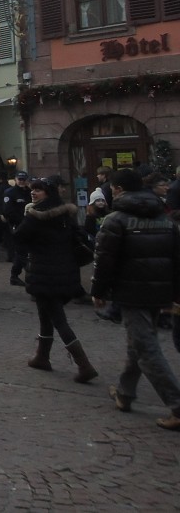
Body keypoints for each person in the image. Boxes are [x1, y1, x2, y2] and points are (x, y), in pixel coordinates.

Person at [92, 168, 180, 430]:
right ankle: (125, 392)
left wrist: (98, 291)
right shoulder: (165, 219)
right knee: (139, 342)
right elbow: (177, 259)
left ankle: (176, 404)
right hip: (160, 290)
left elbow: (105, 261)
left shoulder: (116, 219)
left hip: (131, 292)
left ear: (117, 189)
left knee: (146, 348)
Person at [15, 178, 97, 383]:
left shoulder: (35, 215)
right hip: (66, 271)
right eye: (33, 189)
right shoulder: (66, 214)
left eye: (39, 190)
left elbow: (19, 236)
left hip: (45, 272)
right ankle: (42, 356)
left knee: (58, 319)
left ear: (48, 193)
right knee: (46, 314)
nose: (33, 193)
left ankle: (84, 364)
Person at [3, 172, 33, 285]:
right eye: (19, 179)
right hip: (17, 226)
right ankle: (30, 274)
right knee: (22, 251)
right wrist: (18, 222)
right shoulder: (10, 192)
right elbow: (8, 211)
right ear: (15, 179)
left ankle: (14, 275)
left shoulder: (30, 192)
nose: (21, 181)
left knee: (23, 252)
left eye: (23, 179)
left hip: (29, 225)